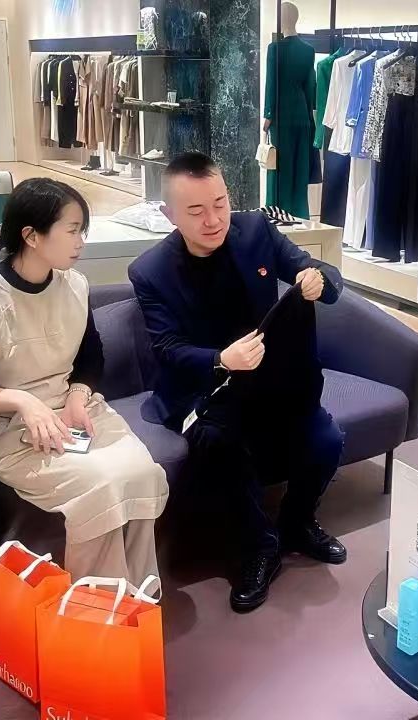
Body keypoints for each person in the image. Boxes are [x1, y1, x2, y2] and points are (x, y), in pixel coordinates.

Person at [128, 152, 347, 613]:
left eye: (220, 204)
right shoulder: (151, 271)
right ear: (169, 214)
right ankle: (259, 549)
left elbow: (320, 272)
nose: (213, 220)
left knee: (326, 439)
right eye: (195, 211)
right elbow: (167, 348)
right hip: (207, 391)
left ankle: (298, 523)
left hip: (273, 384)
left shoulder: (257, 231)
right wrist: (220, 359)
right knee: (219, 450)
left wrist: (317, 279)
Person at [0, 178, 169, 583]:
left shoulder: (74, 285)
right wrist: (22, 402)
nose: (81, 242)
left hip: (75, 413)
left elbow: (90, 356)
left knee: (142, 475)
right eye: (73, 230)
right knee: (101, 487)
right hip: (15, 431)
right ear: (31, 236)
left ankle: (136, 595)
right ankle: (96, 606)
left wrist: (78, 393)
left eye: (82, 230)